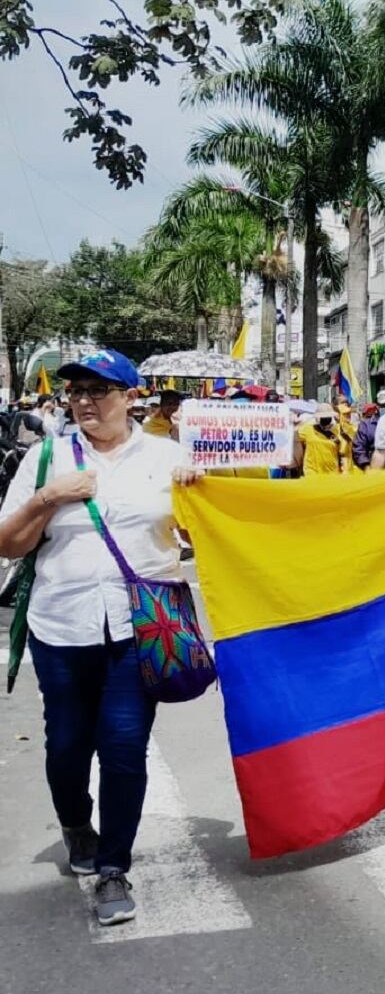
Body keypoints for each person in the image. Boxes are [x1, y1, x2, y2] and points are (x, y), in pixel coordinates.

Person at [0, 350, 202, 926]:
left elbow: (201, 535)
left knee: (122, 750)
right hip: (61, 628)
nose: (85, 400)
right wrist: (48, 497)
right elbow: (8, 545)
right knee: (66, 747)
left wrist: (197, 490)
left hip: (139, 630)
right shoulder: (45, 458)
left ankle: (113, 868)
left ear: (130, 396)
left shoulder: (167, 456)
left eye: (100, 389)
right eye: (76, 391)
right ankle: (75, 826)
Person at [296, 404, 348, 476]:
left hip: (332, 474)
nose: (325, 418)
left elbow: (344, 453)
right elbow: (293, 436)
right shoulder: (307, 429)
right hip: (312, 473)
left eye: (327, 416)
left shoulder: (338, 431)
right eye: (323, 417)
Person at [351, 395, 385, 470]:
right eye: (384, 405)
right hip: (375, 468)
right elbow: (359, 448)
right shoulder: (366, 425)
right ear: (378, 407)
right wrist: (366, 466)